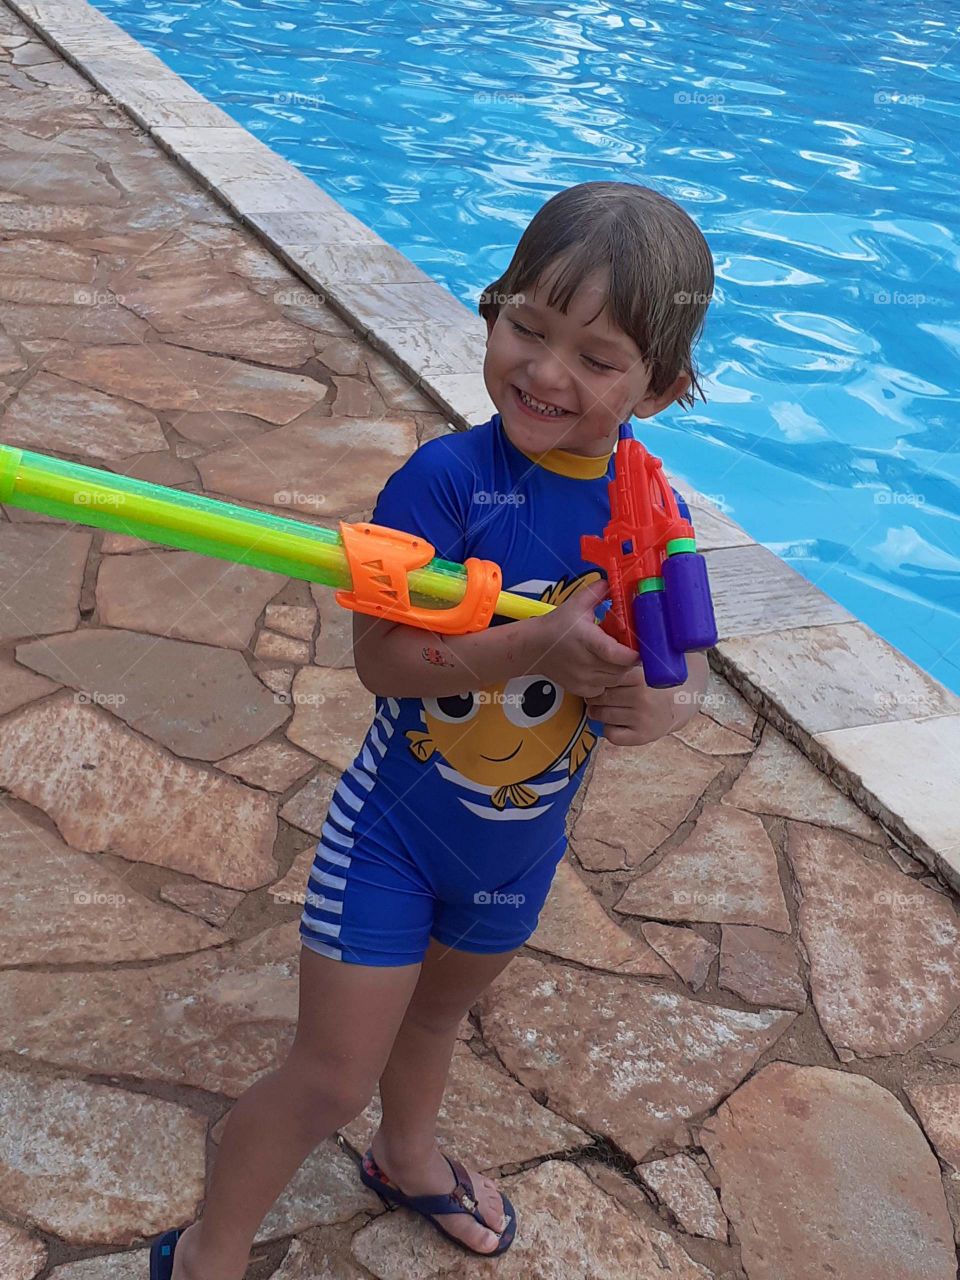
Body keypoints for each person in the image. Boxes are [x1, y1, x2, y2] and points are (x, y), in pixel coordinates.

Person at [158, 179, 714, 1280]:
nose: (547, 372)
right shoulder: (445, 484)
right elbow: (382, 663)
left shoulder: (655, 508)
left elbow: (685, 666)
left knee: (438, 1012)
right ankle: (210, 1251)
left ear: (661, 384)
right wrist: (532, 650)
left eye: (596, 358)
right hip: (398, 835)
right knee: (329, 1073)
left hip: (520, 842)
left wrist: (661, 702)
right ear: (493, 308)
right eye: (527, 326)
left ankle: (407, 1155)